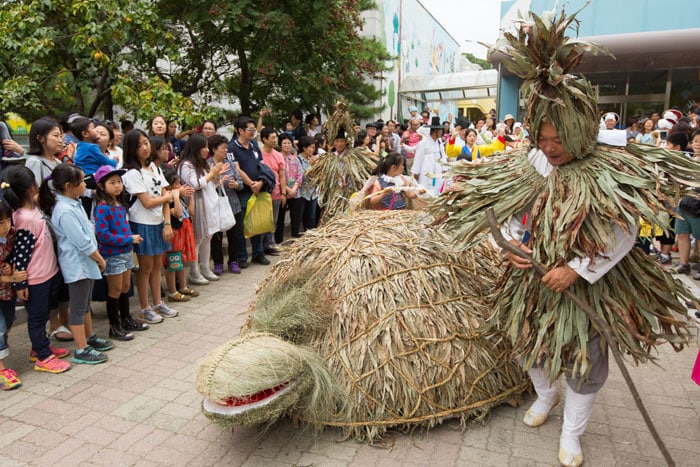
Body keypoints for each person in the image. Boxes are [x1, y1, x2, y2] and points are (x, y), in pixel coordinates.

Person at [431, 9, 695, 467]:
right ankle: (544, 394)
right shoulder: (532, 161)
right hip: (531, 275)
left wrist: (575, 270)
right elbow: (506, 212)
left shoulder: (609, 168)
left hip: (588, 283)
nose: (549, 147)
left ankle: (572, 433)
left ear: (578, 130)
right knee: (526, 342)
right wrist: (512, 246)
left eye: (557, 138)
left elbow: (624, 231)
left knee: (585, 360)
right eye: (543, 137)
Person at [40, 164, 114, 364]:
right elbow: (81, 241)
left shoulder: (74, 202)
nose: (84, 185)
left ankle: (89, 338)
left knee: (85, 305)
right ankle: (81, 349)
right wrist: (99, 258)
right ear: (68, 185)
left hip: (86, 262)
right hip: (79, 264)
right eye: (81, 181)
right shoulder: (64, 210)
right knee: (78, 307)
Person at [2, 166, 71, 373]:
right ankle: (42, 356)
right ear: (32, 187)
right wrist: (20, 282)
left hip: (47, 272)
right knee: (37, 318)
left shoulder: (32, 209)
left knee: (42, 314)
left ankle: (39, 347)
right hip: (35, 278)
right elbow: (20, 253)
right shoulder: (24, 217)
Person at [18, 117, 72, 342]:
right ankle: (54, 324)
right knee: (51, 278)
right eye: (56, 136)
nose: (61, 140)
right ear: (40, 138)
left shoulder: (57, 162)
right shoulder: (34, 163)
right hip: (47, 227)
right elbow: (33, 196)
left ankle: (64, 320)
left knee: (62, 275)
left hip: (61, 224)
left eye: (61, 135)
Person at [121, 129, 181, 324]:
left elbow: (164, 196)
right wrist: (167, 197)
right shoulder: (131, 173)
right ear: (131, 149)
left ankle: (157, 303)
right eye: (140, 145)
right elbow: (147, 202)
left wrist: (167, 223)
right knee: (145, 267)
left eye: (146, 143)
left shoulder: (154, 168)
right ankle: (144, 307)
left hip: (158, 223)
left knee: (156, 265)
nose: (145, 148)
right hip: (142, 224)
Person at [93, 165, 148, 340]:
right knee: (115, 290)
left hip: (125, 252)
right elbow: (103, 235)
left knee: (125, 287)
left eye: (119, 182)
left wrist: (130, 238)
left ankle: (126, 319)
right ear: (101, 186)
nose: (117, 185)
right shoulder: (102, 207)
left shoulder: (119, 204)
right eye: (112, 182)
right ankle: (114, 326)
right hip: (112, 254)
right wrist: (128, 239)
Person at [178, 134, 227, 283]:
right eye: (204, 147)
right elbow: (194, 184)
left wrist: (217, 177)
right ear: (196, 148)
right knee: (198, 238)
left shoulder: (203, 164)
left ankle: (205, 268)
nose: (207, 150)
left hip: (209, 204)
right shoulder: (186, 165)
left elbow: (210, 184)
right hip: (197, 206)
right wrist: (212, 173)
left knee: (208, 236)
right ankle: (194, 272)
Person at [228, 116, 270, 267]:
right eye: (250, 130)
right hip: (243, 191)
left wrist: (260, 182)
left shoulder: (253, 145)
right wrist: (251, 184)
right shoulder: (232, 147)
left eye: (254, 129)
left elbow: (262, 166)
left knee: (257, 222)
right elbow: (236, 169)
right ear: (240, 130)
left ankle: (258, 253)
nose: (253, 132)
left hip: (257, 190)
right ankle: (242, 256)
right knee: (241, 225)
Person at [0, 197, 27, 389]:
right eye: (0, 223)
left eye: (8, 220)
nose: (5, 226)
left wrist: (9, 266)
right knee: (0, 327)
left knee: (8, 321)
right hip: (6, 285)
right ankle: (1, 371)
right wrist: (11, 278)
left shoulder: (11, 236)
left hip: (6, 293)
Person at [161, 168, 199, 299]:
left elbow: (191, 212)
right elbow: (177, 213)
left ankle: (183, 286)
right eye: (177, 184)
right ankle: (172, 291)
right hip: (174, 234)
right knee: (173, 261)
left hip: (184, 232)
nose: (180, 186)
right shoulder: (169, 201)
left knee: (181, 260)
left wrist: (191, 197)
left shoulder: (181, 200)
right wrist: (176, 196)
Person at [208, 134, 243, 274]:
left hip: (233, 204)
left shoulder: (230, 164)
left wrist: (236, 185)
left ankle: (233, 261)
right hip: (215, 205)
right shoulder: (208, 165)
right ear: (214, 149)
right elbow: (206, 186)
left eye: (226, 148)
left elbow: (240, 183)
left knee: (234, 235)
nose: (226, 150)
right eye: (223, 148)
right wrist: (219, 183)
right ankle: (218, 263)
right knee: (216, 236)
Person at [259, 128, 286, 256]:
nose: (275, 140)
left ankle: (269, 244)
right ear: (264, 139)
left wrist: (283, 193)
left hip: (275, 193)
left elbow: (282, 176)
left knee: (272, 221)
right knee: (261, 221)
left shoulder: (278, 155)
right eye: (272, 138)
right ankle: (259, 247)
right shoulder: (258, 154)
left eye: (276, 137)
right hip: (261, 194)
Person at [411, 117, 447, 196]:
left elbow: (443, 155)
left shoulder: (439, 142)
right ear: (435, 131)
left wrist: (444, 169)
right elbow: (418, 159)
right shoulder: (423, 143)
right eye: (440, 131)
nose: (441, 133)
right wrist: (415, 173)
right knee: (425, 189)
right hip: (426, 170)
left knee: (437, 189)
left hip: (437, 170)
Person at [279, 133, 303, 239]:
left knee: (296, 217)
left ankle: (295, 238)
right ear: (280, 145)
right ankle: (278, 240)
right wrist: (287, 190)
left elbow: (300, 174)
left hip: (295, 192)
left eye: (289, 143)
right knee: (280, 217)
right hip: (282, 192)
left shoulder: (295, 159)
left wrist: (294, 189)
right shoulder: (278, 158)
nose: (287, 145)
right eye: (284, 143)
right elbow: (277, 176)